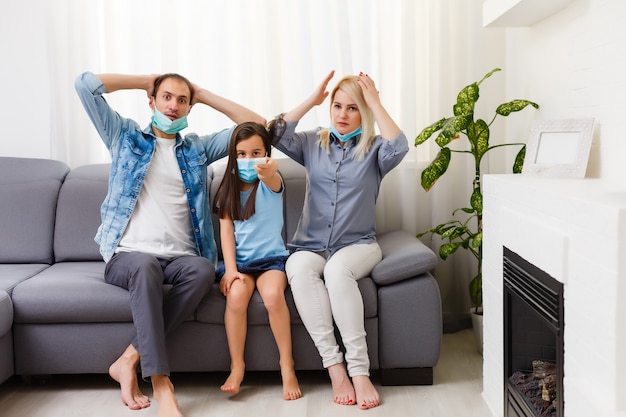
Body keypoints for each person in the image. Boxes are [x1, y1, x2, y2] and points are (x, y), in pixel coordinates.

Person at [74, 71, 265, 417]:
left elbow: (257, 125)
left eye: (182, 100)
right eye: (166, 97)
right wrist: (143, 79)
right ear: (152, 100)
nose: (173, 106)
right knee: (145, 266)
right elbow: (84, 85)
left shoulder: (197, 149)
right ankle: (162, 385)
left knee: (204, 269)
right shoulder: (124, 135)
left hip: (180, 259)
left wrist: (204, 93)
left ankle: (128, 359)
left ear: (189, 107)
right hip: (128, 256)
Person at [271, 71, 409, 410]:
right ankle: (335, 368)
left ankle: (360, 372)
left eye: (352, 108)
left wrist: (374, 100)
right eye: (336, 106)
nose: (342, 115)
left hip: (358, 245)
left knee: (336, 272)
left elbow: (400, 145)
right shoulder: (311, 143)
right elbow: (275, 133)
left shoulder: (375, 150)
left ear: (363, 113)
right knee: (298, 267)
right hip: (310, 244)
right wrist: (312, 99)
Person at [212, 121, 302, 401]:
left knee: (274, 296)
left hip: (272, 260)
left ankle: (287, 366)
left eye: (256, 153)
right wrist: (230, 270)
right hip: (240, 263)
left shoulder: (271, 182)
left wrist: (271, 169)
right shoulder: (228, 190)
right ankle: (237, 366)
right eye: (241, 154)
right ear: (233, 157)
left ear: (266, 154)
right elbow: (226, 233)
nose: (248, 160)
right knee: (236, 298)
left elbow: (272, 177)